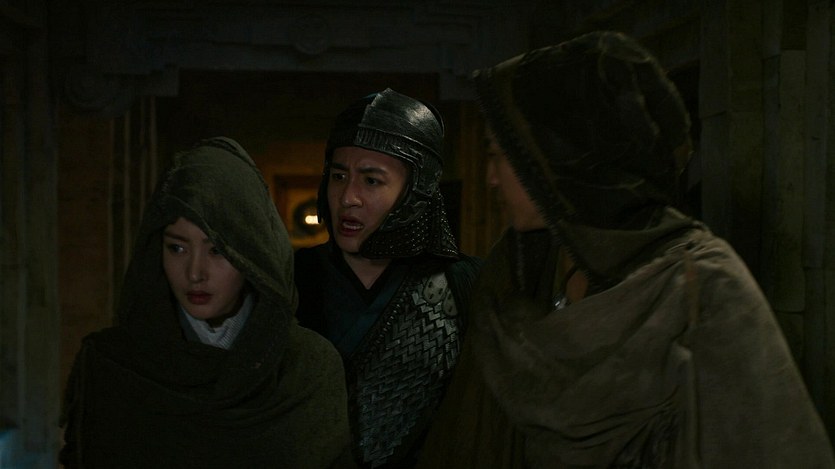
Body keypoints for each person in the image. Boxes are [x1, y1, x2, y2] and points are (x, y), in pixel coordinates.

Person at [418, 31, 835, 468]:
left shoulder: (702, 285)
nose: (490, 178)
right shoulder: (519, 265)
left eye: (502, 155)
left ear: (567, 157)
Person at [60, 137, 353, 468]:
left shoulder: (308, 368)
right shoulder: (111, 366)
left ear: (251, 253)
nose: (195, 273)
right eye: (177, 248)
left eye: (217, 250)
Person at [294, 88, 482, 468]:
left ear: (415, 190)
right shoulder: (292, 277)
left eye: (371, 181)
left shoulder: (464, 285)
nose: (347, 197)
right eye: (339, 176)